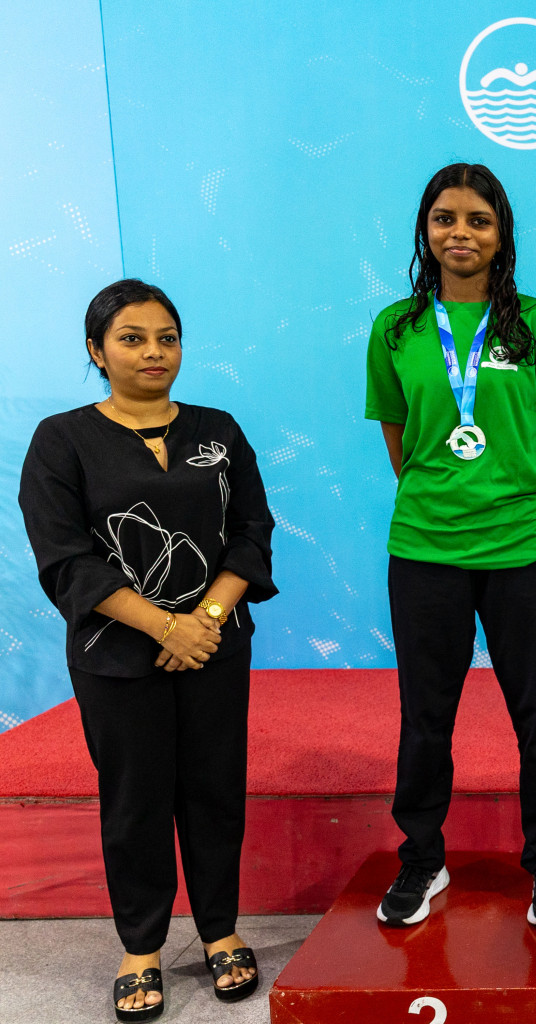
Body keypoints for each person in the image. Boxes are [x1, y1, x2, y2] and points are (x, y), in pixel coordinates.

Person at [19, 279, 276, 1020]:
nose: (154, 351)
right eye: (132, 338)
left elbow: (251, 533)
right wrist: (165, 627)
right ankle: (141, 949)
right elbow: (67, 558)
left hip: (215, 648)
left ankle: (221, 932)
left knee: (215, 792)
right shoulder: (62, 438)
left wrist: (204, 621)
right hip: (115, 657)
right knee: (135, 801)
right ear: (96, 350)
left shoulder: (217, 429)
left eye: (167, 336)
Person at [365, 163, 536, 930]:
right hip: (425, 549)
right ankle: (422, 861)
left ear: (502, 235)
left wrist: (516, 506)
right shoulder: (396, 328)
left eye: (478, 220)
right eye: (445, 218)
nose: (461, 233)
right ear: (425, 231)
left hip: (521, 549)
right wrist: (448, 502)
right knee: (426, 716)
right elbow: (404, 444)